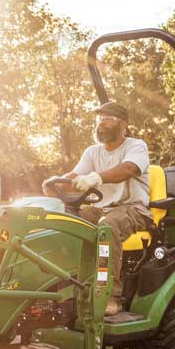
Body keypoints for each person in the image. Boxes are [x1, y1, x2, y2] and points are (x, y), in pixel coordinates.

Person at [44, 101, 153, 315]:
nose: (101, 123)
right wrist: (56, 182)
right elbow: (75, 177)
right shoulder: (92, 152)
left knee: (107, 228)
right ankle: (64, 287)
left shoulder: (135, 146)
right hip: (100, 208)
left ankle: (110, 297)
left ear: (123, 124)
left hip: (132, 209)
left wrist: (96, 178)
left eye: (107, 118)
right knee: (64, 222)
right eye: (99, 119)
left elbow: (128, 169)